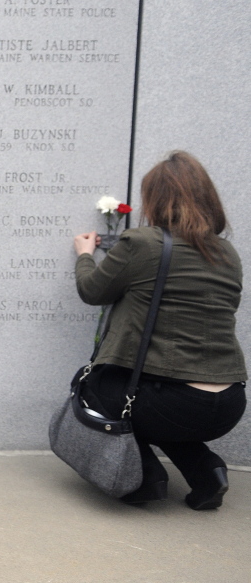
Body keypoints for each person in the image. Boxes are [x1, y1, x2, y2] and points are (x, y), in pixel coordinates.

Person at [73, 151, 246, 509]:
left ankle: (145, 478)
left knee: (95, 387)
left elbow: (92, 291)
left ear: (156, 198)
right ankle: (207, 472)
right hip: (229, 403)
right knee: (158, 406)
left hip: (175, 404)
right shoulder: (226, 253)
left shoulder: (142, 243)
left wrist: (85, 255)